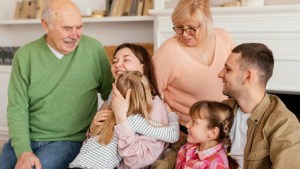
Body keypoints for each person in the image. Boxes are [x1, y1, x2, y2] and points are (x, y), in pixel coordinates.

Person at [0, 0, 113, 168]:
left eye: (79, 27)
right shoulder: (25, 56)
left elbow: (111, 94)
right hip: (27, 138)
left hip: (68, 141)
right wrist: (23, 150)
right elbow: (17, 108)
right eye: (67, 28)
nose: (74, 35)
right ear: (46, 25)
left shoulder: (94, 50)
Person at [87, 43, 179, 168]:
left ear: (142, 67)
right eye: (115, 61)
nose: (118, 64)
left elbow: (139, 161)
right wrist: (92, 130)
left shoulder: (154, 105)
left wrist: (121, 120)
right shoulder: (111, 99)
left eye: (126, 59)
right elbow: (92, 151)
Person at [152, 0, 234, 136]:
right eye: (179, 27)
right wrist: (169, 129)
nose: (185, 34)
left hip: (224, 127)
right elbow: (149, 95)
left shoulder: (223, 38)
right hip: (188, 131)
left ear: (207, 22)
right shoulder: (169, 51)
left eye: (191, 28)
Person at [69, 71, 179, 169]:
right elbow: (172, 136)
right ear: (144, 97)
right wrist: (172, 116)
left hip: (76, 164)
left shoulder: (106, 116)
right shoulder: (134, 121)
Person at [218, 43, 300, 169]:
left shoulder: (284, 124)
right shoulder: (224, 109)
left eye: (228, 69)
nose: (220, 74)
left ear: (248, 76)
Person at [175, 101, 239, 169]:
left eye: (194, 122)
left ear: (213, 133)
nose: (187, 125)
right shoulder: (187, 147)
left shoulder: (216, 164)